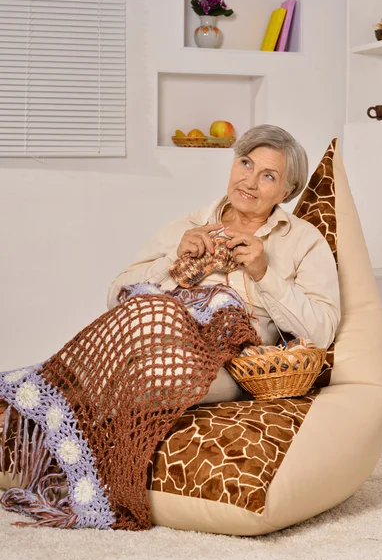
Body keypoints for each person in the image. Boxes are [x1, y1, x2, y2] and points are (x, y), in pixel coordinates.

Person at [107, 125, 340, 402]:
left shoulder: (303, 240)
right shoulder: (190, 226)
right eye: (245, 164)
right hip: (155, 343)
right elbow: (115, 297)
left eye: (268, 176)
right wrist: (173, 261)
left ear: (286, 192)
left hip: (230, 367)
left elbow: (322, 331)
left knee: (154, 381)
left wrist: (264, 274)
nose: (249, 182)